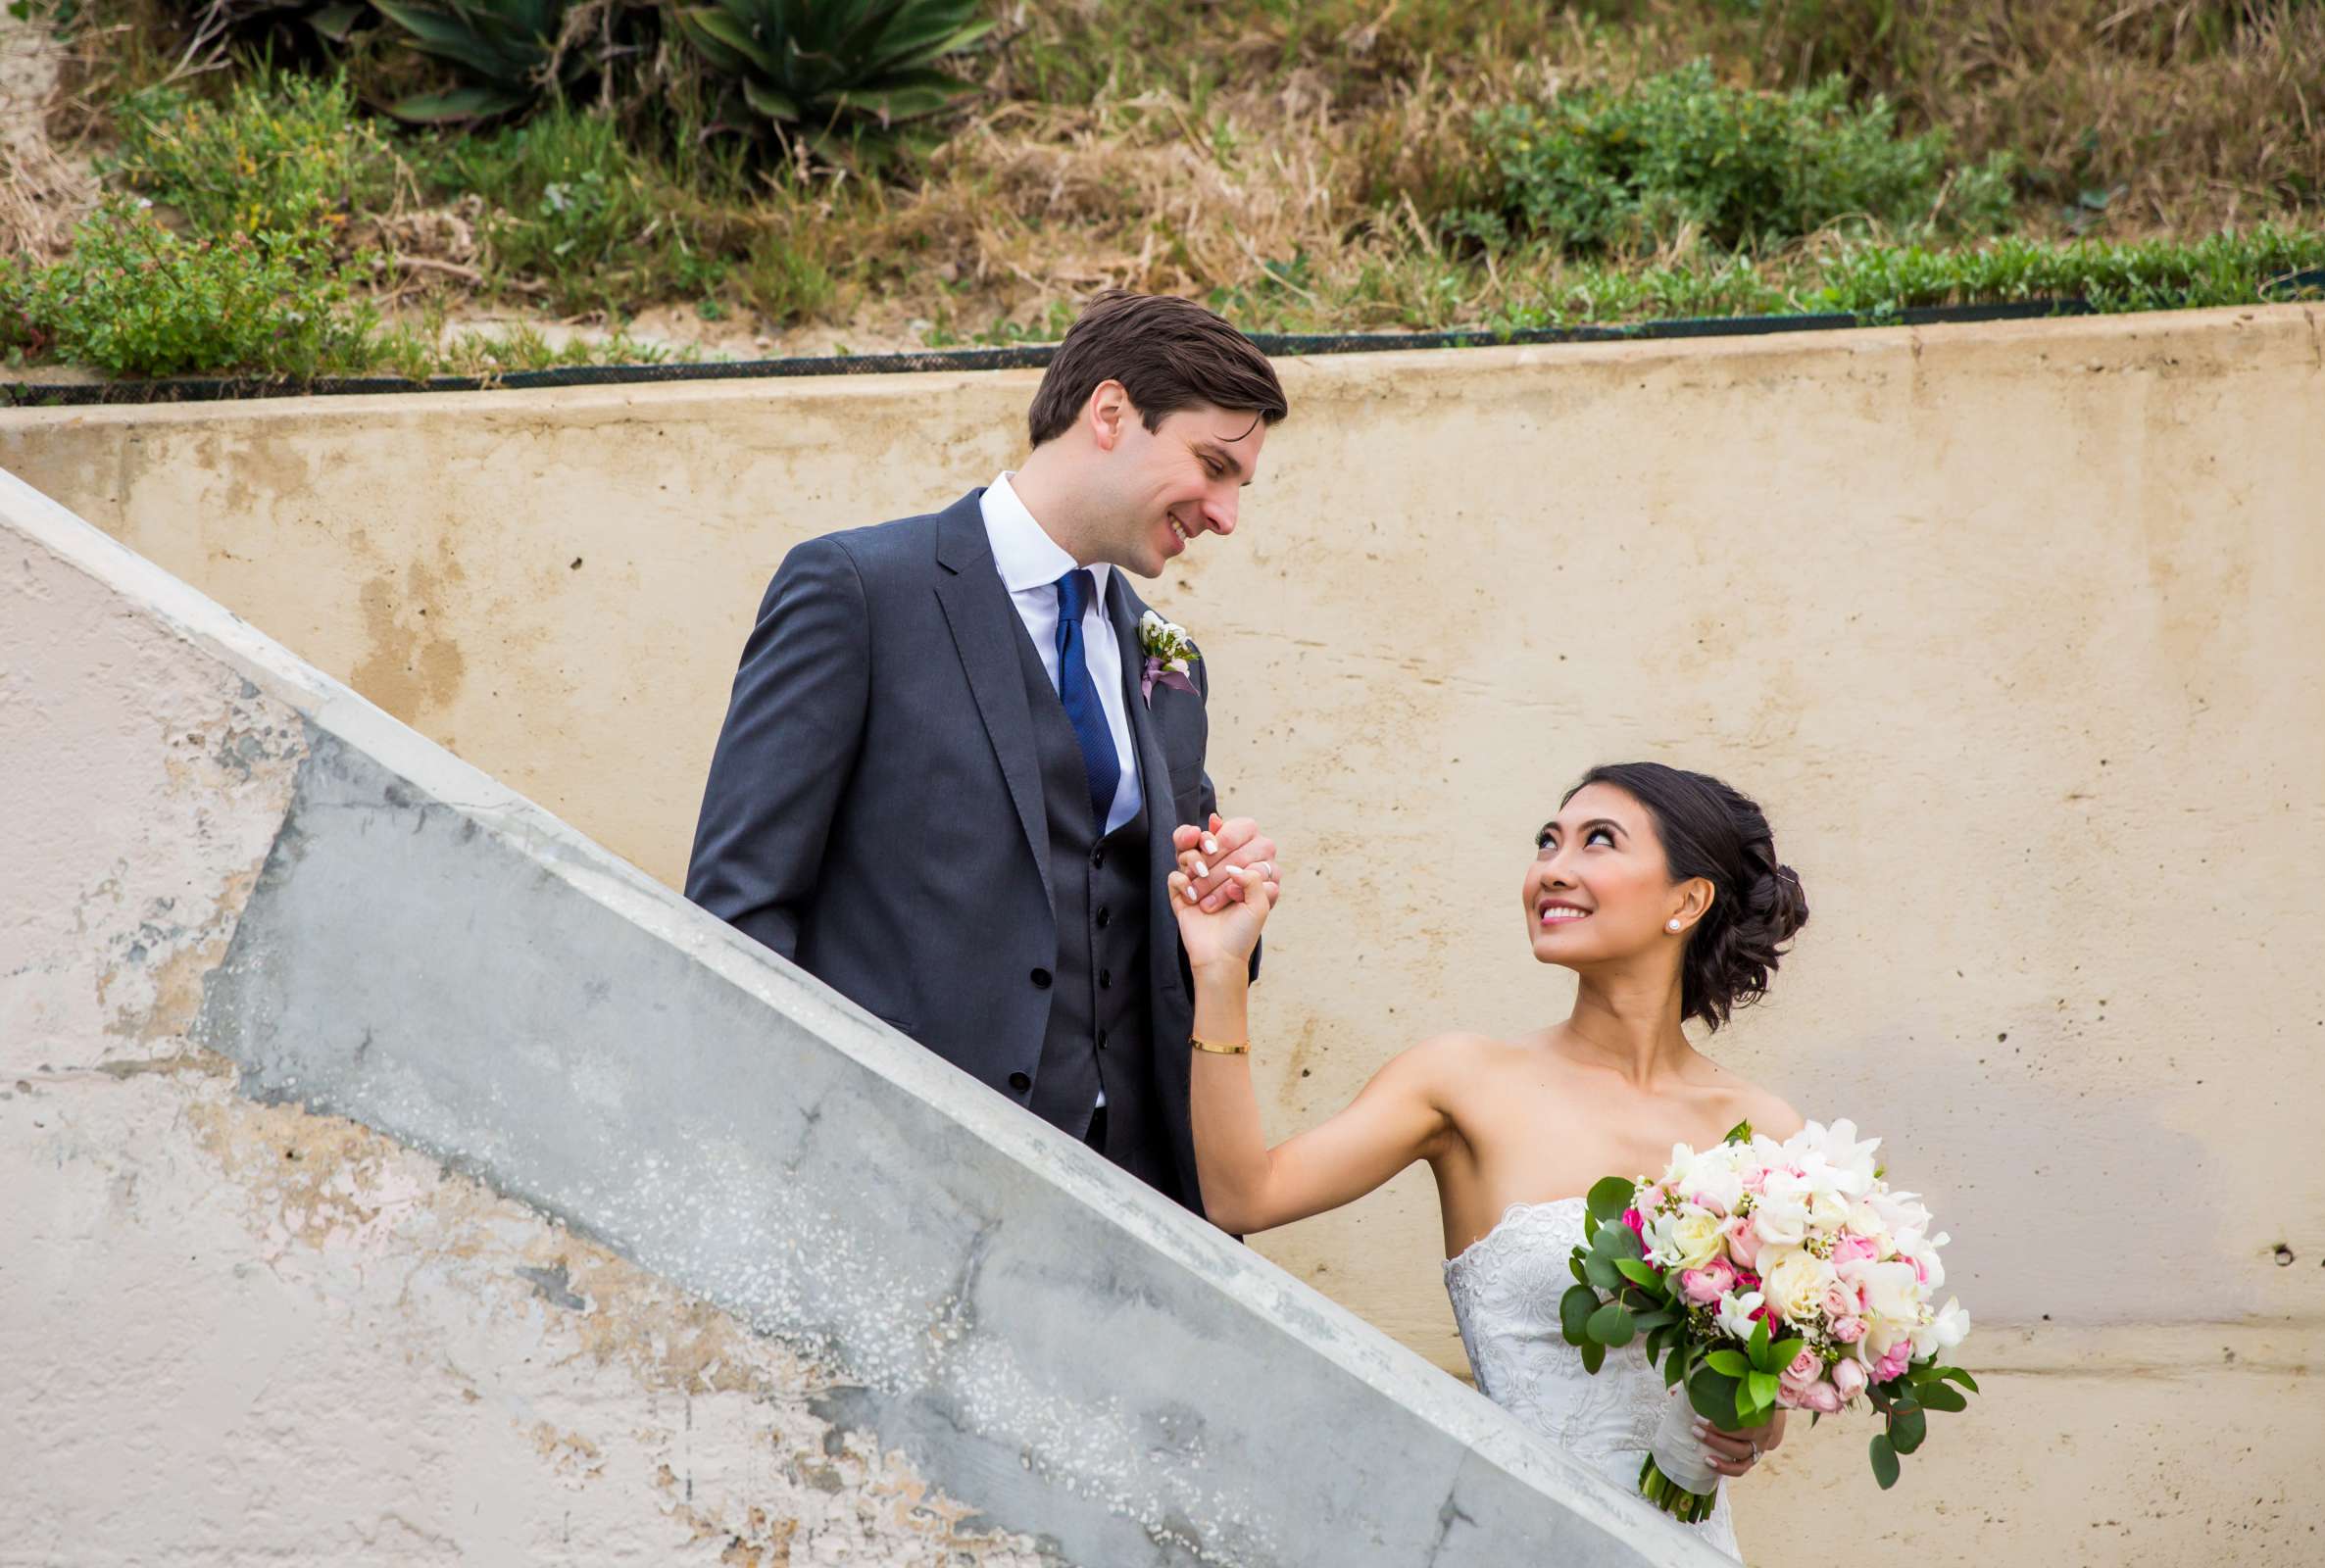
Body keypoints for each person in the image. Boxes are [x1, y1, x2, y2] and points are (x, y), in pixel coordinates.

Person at [686, 289, 1287, 1214]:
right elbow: (738, 912)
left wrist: (1226, 918)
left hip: (1141, 1200)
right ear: (1111, 413)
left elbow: (1155, 940)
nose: (1226, 515)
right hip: (893, 1187)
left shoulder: (1168, 658)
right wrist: (799, 1166)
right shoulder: (858, 591)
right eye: (1214, 466)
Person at [1166, 762, 1811, 1558]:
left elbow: (1762, 1400)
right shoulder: (1461, 1081)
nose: (1553, 868)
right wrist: (1221, 969)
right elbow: (1241, 1196)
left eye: (1597, 841)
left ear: (1688, 900)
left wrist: (1748, 1423)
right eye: (1548, 841)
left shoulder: (1763, 1133)